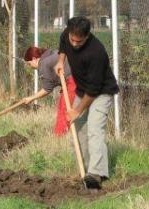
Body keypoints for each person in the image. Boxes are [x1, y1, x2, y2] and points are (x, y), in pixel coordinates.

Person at [55, 17, 119, 189]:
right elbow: (63, 44)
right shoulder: (67, 35)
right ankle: (85, 169)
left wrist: (77, 110)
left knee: (94, 129)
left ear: (87, 36)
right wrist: (61, 61)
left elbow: (93, 90)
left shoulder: (96, 52)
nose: (74, 44)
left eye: (79, 41)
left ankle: (96, 174)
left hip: (101, 92)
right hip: (83, 90)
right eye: (72, 40)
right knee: (78, 128)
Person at [23, 46, 74, 136]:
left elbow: (47, 89)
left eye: (29, 63)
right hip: (78, 77)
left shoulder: (43, 64)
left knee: (63, 110)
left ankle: (59, 138)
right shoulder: (50, 54)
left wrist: (31, 98)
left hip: (74, 80)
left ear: (34, 59)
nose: (29, 66)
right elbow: (52, 81)